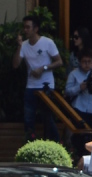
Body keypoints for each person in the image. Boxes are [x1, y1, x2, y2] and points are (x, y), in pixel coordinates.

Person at [14, 14, 62, 142]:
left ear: (36, 29)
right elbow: (15, 65)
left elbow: (59, 62)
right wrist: (19, 46)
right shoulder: (24, 45)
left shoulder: (47, 42)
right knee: (28, 118)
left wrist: (43, 68)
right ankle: (30, 145)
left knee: (47, 117)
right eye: (24, 27)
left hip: (46, 85)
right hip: (31, 86)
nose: (25, 30)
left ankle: (57, 145)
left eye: (28, 27)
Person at [66, 48, 92, 133]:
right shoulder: (74, 74)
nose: (87, 64)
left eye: (89, 61)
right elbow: (67, 91)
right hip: (80, 108)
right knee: (80, 135)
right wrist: (79, 88)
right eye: (84, 61)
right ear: (79, 62)